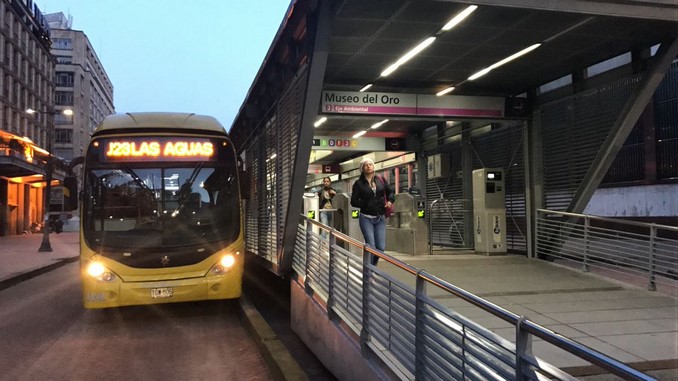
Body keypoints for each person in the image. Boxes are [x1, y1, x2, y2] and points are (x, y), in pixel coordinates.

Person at [350, 158, 394, 265]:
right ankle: (369, 272)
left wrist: (390, 201)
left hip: (380, 217)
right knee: (371, 246)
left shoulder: (380, 180)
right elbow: (353, 201)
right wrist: (366, 203)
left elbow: (390, 192)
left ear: (374, 167)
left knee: (380, 248)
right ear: (362, 169)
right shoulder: (359, 184)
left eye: (370, 164)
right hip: (366, 218)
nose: (369, 166)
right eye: (366, 165)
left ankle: (371, 266)